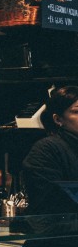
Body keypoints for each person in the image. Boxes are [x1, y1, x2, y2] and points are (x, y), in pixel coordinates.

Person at [21, 85, 78, 216]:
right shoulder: (46, 149)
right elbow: (51, 203)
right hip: (61, 232)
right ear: (58, 119)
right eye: (77, 112)